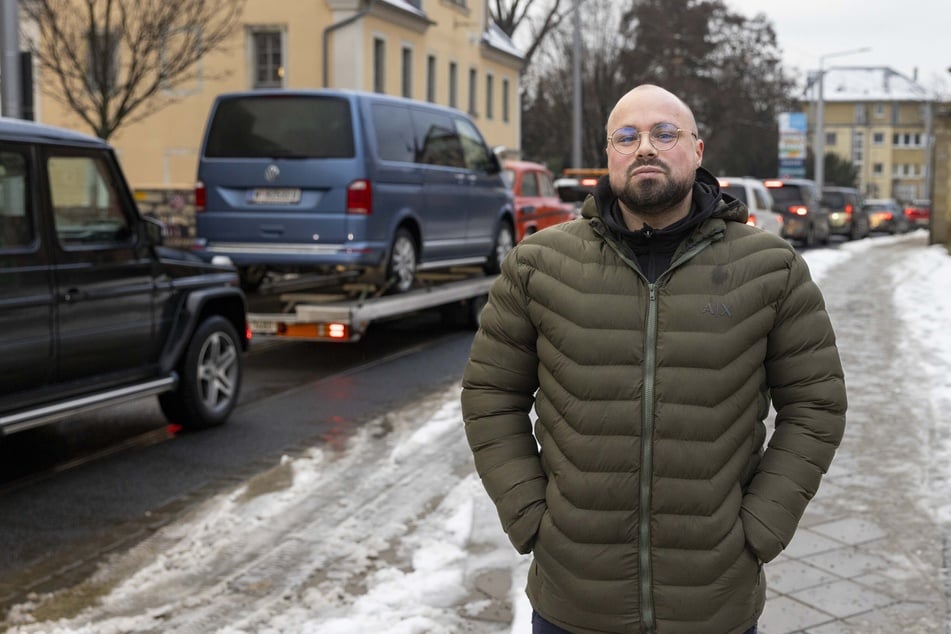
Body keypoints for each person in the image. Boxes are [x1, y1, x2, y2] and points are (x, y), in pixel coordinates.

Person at [460, 84, 847, 634]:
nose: (645, 147)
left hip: (713, 603)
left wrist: (761, 526)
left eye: (665, 133)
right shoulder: (538, 264)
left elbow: (816, 405)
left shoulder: (770, 268)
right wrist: (530, 516)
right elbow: (490, 395)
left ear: (697, 150)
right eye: (627, 136)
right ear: (609, 156)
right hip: (573, 602)